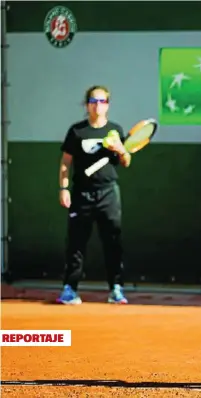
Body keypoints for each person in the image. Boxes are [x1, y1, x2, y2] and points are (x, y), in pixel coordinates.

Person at [56, 85, 131, 305]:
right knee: (76, 243)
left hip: (108, 194)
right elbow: (65, 163)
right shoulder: (77, 131)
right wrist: (63, 188)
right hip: (81, 194)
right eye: (93, 101)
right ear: (87, 104)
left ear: (108, 105)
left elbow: (126, 161)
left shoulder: (115, 130)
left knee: (112, 242)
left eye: (102, 101)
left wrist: (120, 149)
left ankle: (116, 289)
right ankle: (70, 289)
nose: (97, 105)